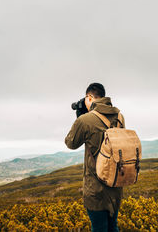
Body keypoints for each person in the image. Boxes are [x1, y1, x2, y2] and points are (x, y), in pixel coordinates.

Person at [65, 83, 125, 232]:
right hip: (116, 184)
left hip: (95, 189)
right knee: (113, 227)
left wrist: (79, 117)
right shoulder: (119, 117)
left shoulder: (85, 120)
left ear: (89, 97)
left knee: (99, 228)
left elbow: (70, 143)